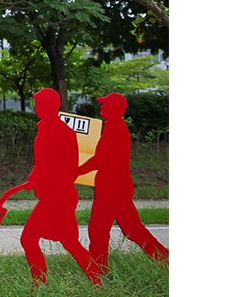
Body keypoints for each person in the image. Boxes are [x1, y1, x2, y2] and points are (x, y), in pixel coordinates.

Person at [76, 93, 168, 274]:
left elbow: (101, 159)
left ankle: (98, 271)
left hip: (113, 189)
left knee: (102, 230)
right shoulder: (112, 127)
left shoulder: (115, 128)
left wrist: (76, 171)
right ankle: (163, 258)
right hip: (113, 187)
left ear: (113, 108)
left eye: (105, 104)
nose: (101, 107)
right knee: (126, 229)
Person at [18, 88, 102, 286]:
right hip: (59, 194)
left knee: (29, 239)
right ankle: (96, 280)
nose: (36, 107)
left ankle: (39, 285)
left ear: (48, 106)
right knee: (69, 242)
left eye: (39, 103)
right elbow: (46, 165)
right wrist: (34, 179)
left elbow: (57, 166)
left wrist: (38, 180)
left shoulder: (53, 132)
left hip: (57, 196)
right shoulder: (55, 130)